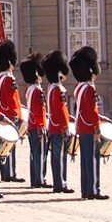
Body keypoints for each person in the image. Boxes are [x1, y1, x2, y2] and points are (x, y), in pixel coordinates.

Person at [70, 46, 107, 201]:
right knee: (92, 159)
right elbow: (91, 111)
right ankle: (93, 189)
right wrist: (97, 127)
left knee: (85, 160)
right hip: (89, 128)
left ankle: (86, 189)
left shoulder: (79, 87)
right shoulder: (89, 89)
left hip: (82, 126)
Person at [42, 50, 73, 194]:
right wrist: (65, 126)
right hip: (58, 127)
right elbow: (59, 110)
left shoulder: (53, 88)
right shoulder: (57, 89)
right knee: (59, 156)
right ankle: (60, 183)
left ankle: (60, 181)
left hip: (55, 126)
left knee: (58, 155)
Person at [0, 40, 23, 182]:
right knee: (9, 146)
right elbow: (13, 101)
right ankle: (9, 173)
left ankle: (7, 172)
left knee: (4, 146)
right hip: (9, 115)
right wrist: (17, 115)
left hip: (1, 113)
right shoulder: (9, 79)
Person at [20, 53, 47, 189]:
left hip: (31, 125)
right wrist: (41, 126)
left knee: (34, 153)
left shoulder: (29, 89)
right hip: (36, 125)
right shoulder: (37, 90)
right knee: (39, 153)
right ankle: (40, 179)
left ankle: (35, 178)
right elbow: (38, 111)